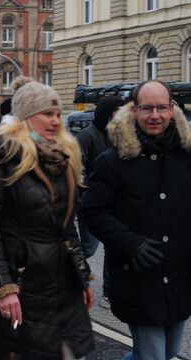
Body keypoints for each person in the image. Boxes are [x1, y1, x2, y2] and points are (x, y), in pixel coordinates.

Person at [0, 76, 94, 359]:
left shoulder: (61, 158)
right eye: (47, 114)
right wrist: (3, 287)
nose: (55, 121)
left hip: (61, 284)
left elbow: (66, 227)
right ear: (25, 118)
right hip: (22, 284)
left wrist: (82, 276)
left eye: (57, 114)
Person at [82, 80, 191, 360]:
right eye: (147, 108)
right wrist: (130, 243)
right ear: (134, 110)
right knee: (153, 356)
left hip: (179, 277)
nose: (155, 115)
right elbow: (93, 212)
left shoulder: (186, 156)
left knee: (164, 354)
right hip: (137, 278)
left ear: (172, 110)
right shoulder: (113, 159)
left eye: (161, 107)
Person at [76, 95, 125, 309]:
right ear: (108, 112)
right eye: (117, 111)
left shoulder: (118, 135)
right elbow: (77, 167)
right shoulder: (86, 136)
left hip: (114, 202)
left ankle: (109, 292)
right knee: (88, 248)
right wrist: (93, 188)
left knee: (112, 246)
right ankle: (64, 268)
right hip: (91, 202)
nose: (120, 115)